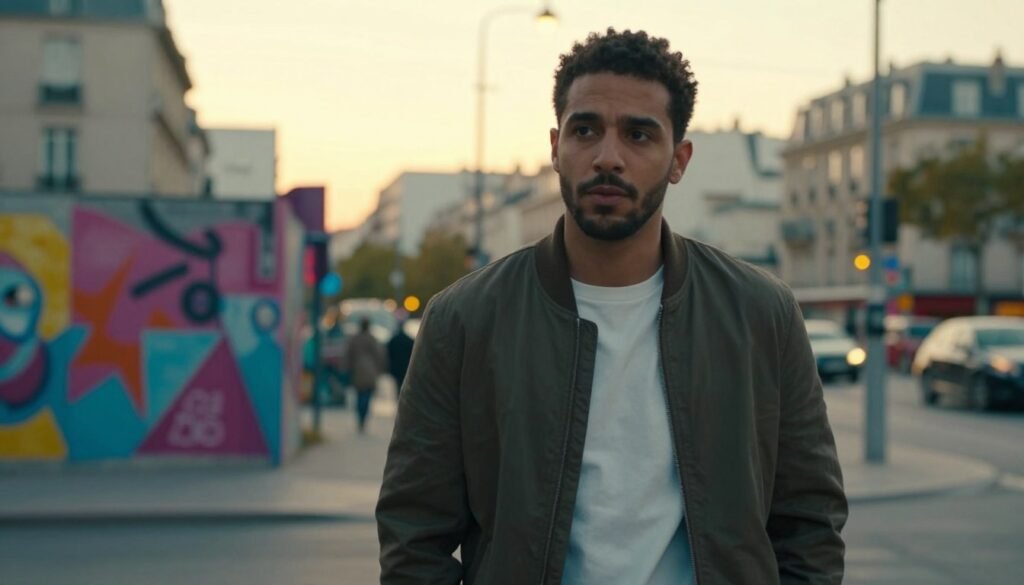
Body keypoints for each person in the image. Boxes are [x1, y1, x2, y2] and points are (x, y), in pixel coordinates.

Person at [377, 28, 847, 584]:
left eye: (639, 135)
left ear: (679, 159)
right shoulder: (464, 319)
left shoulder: (761, 314)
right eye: (586, 130)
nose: (608, 157)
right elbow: (414, 535)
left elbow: (809, 523)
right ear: (555, 148)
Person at [344, 317, 386, 433]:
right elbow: (379, 355)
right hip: (370, 371)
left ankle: (360, 417)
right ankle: (363, 417)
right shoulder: (372, 339)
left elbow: (348, 355)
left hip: (357, 370)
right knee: (367, 395)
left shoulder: (354, 339)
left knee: (359, 395)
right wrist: (380, 369)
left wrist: (347, 368)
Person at [386, 320, 415, 398]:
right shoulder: (409, 340)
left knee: (398, 384)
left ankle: (399, 397)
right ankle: (402, 397)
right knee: (404, 383)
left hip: (396, 367)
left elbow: (389, 353)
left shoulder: (393, 340)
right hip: (405, 366)